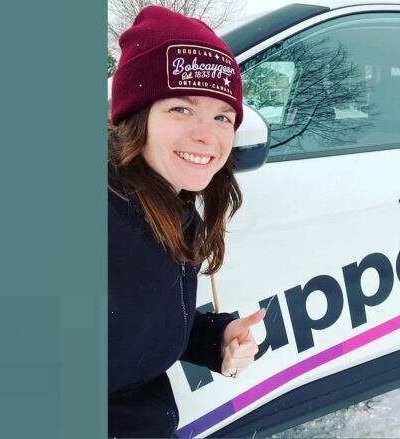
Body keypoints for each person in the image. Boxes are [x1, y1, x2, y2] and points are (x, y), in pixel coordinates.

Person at [107, 6, 265, 438]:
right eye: (180, 108)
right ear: (135, 117)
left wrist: (214, 337)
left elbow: (131, 325)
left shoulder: (170, 208)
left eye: (222, 116)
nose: (207, 135)